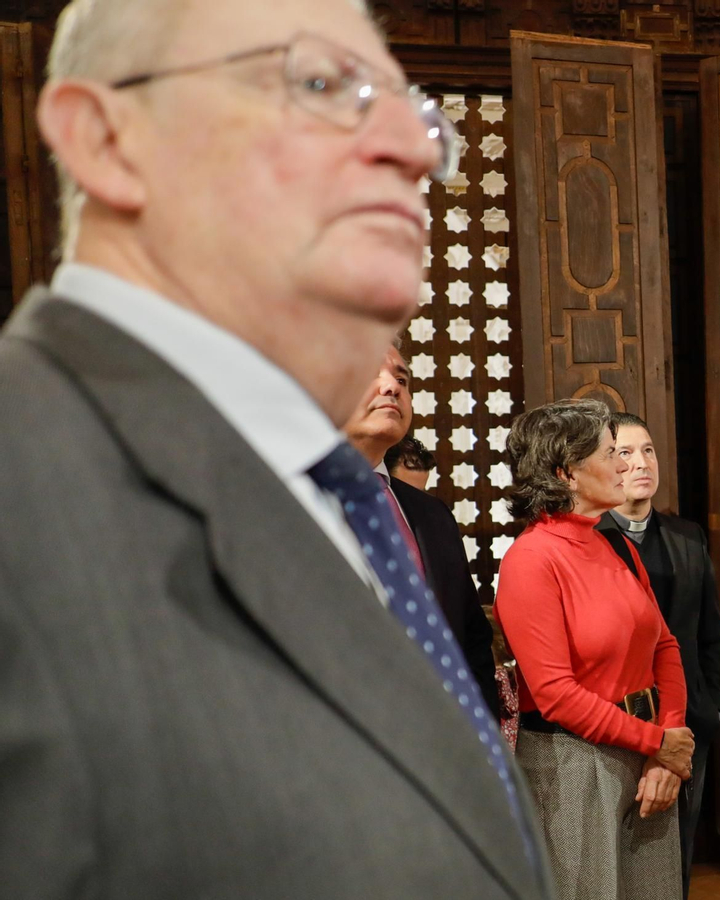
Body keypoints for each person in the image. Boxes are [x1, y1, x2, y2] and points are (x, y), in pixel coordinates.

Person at [0, 0, 551, 896]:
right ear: (107, 139)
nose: (412, 152)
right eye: (323, 85)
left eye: (418, 121)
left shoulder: (332, 490)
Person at [496, 399, 692, 900]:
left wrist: (665, 749)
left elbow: (665, 645)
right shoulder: (531, 558)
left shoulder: (613, 543)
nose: (627, 465)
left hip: (645, 757)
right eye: (612, 454)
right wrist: (657, 744)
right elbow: (557, 694)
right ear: (567, 473)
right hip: (574, 767)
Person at [595, 412, 720, 894]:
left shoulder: (686, 535)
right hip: (616, 727)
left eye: (648, 450)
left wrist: (712, 704)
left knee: (679, 857)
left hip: (688, 719)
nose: (640, 463)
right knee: (620, 860)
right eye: (624, 453)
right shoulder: (589, 540)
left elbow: (710, 633)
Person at [344, 344, 501, 718]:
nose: (392, 387)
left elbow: (472, 639)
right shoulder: (291, 500)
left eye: (401, 379)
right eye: (372, 374)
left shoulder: (432, 516)